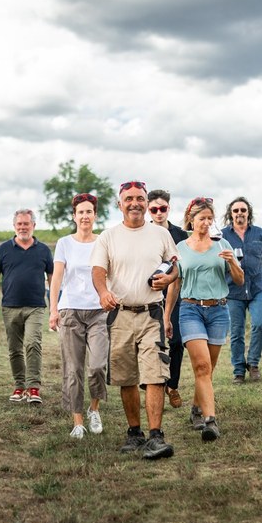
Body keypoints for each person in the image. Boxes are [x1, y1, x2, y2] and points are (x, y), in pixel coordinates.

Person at [91, 180, 179, 460]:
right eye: (128, 199)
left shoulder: (160, 234)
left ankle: (156, 436)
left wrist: (169, 277)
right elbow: (97, 270)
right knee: (126, 376)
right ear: (120, 204)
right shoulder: (108, 236)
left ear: (146, 202)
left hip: (151, 313)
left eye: (140, 198)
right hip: (120, 314)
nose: (135, 203)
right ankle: (134, 433)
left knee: (155, 374)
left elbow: (175, 265)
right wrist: (103, 292)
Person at [167, 197, 243, 441]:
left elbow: (239, 281)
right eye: (202, 219)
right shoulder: (180, 248)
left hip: (219, 311)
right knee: (201, 366)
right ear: (191, 219)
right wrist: (167, 316)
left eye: (210, 219)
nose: (207, 223)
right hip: (190, 310)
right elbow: (175, 283)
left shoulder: (223, 244)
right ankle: (211, 421)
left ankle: (196, 408)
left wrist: (232, 263)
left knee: (208, 369)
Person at [48, 193, 109, 439]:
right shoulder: (65, 243)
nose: (85, 216)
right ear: (74, 216)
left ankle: (94, 410)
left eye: (89, 212)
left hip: (98, 312)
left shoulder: (104, 241)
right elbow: (57, 279)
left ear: (95, 215)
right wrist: (53, 309)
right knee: (73, 368)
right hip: (71, 310)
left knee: (97, 366)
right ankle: (78, 421)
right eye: (81, 212)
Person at [0, 209, 54, 404]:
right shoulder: (3, 249)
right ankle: (19, 386)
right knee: (14, 349)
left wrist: (54, 304)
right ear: (14, 226)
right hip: (10, 306)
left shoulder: (43, 250)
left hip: (35, 306)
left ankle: (33, 388)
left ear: (34, 225)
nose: (23, 227)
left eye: (26, 224)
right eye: (19, 224)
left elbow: (52, 277)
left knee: (33, 343)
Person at [220, 197, 262, 384]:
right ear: (231, 214)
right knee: (236, 332)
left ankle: (253, 364)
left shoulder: (260, 233)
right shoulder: (222, 236)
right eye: (236, 211)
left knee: (260, 325)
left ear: (248, 212)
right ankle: (238, 370)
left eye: (243, 210)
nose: (239, 213)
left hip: (258, 287)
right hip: (232, 290)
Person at [147, 190, 188, 409]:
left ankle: (172, 386)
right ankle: (155, 384)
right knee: (152, 342)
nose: (158, 212)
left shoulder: (181, 235)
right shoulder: (143, 233)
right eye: (154, 209)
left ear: (168, 209)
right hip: (148, 295)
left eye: (162, 208)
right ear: (148, 210)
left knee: (176, 341)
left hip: (176, 294)